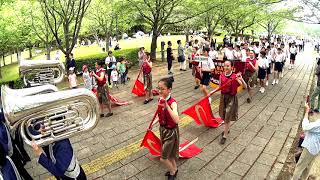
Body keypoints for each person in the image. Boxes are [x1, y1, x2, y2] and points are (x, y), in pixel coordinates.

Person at [219, 61, 247, 144]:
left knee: (227, 116)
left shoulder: (235, 77)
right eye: (225, 66)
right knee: (224, 115)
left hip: (231, 98)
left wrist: (241, 78)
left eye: (228, 66)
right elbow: (220, 87)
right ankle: (227, 129)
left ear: (232, 67)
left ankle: (225, 135)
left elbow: (244, 86)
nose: (226, 67)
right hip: (223, 97)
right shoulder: (221, 76)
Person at [157, 77, 180, 180]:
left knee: (163, 158)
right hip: (163, 130)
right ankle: (175, 169)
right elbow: (160, 115)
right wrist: (152, 124)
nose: (160, 91)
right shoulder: (160, 99)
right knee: (169, 154)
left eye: (162, 89)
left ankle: (172, 172)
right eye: (159, 88)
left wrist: (167, 106)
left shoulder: (173, 102)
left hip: (171, 132)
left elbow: (176, 120)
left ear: (169, 90)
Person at [292, 103, 320, 180]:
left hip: (310, 147)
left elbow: (305, 127)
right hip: (316, 147)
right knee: (308, 167)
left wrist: (306, 112)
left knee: (299, 167)